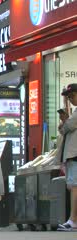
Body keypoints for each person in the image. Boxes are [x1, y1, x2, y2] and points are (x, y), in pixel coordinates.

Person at [57, 84, 77, 231]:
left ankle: (73, 220)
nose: (70, 99)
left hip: (75, 155)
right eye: (69, 97)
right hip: (73, 155)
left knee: (74, 187)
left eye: (72, 96)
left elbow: (67, 128)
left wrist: (65, 120)